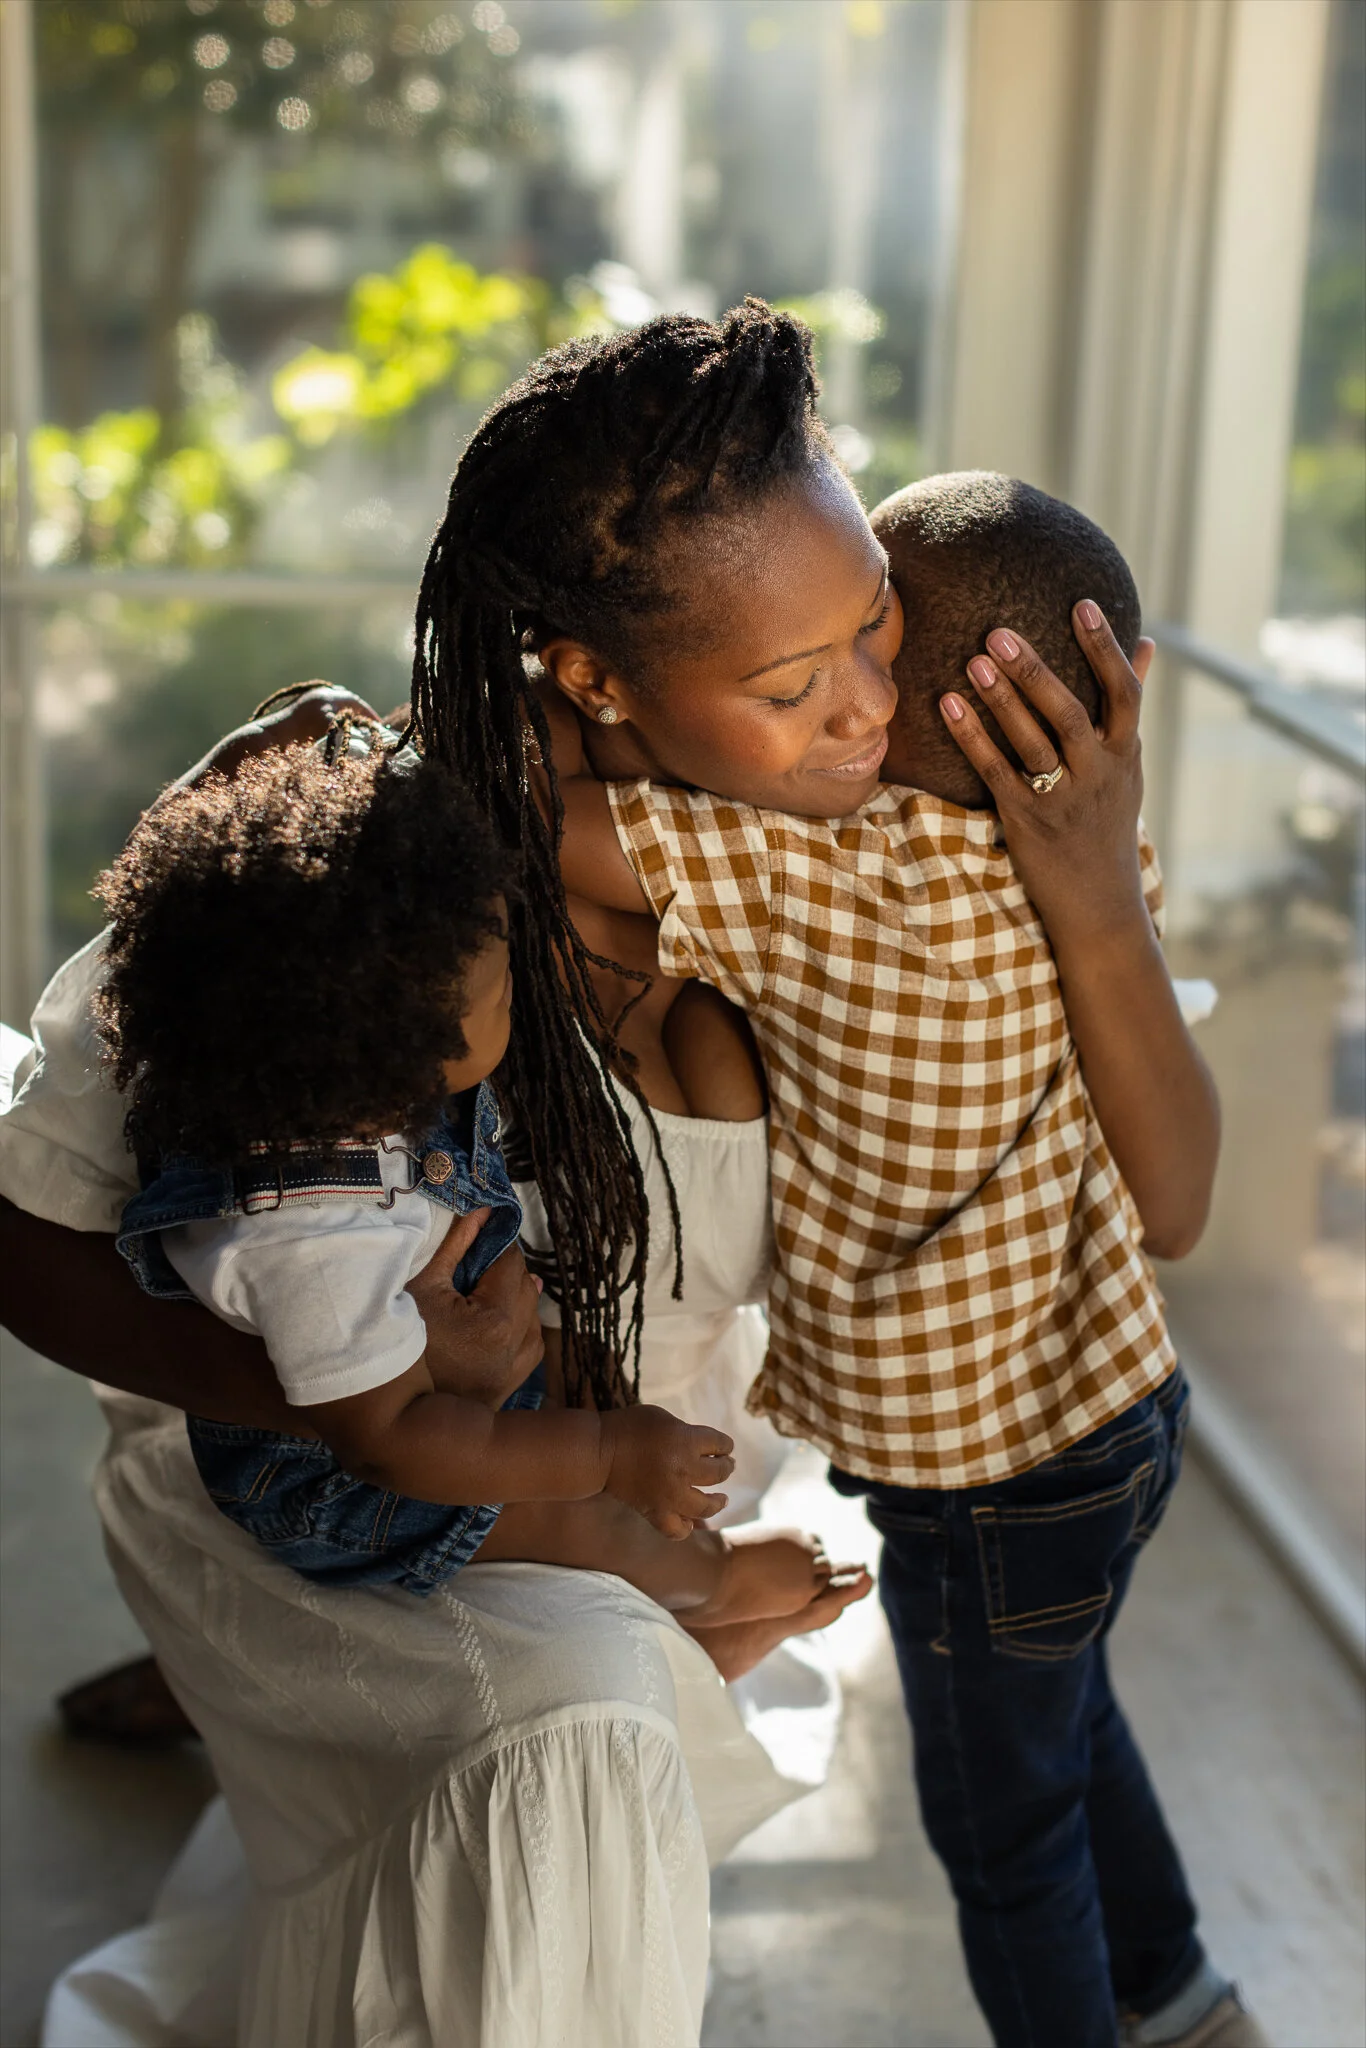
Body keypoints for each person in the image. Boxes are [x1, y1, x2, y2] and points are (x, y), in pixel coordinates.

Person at [538, 455, 1261, 2048]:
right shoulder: (1095, 859)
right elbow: (1175, 1200)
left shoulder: (802, 875)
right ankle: (1184, 1996)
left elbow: (544, 814)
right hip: (1118, 1414)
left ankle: (1126, 2003)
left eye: (866, 641)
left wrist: (585, 681)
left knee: (1006, 1847)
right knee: (1066, 1715)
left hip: (981, 1482)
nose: (848, 695)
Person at [94, 724, 847, 1630]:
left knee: (595, 1374)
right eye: (497, 993)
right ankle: (714, 1588)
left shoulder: (309, 1080)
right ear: (418, 1054)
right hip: (355, 1490)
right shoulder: (314, 1239)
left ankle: (667, 1570)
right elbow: (391, 1444)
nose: (516, 995)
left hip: (424, 1396)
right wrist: (600, 1458)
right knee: (598, 1519)